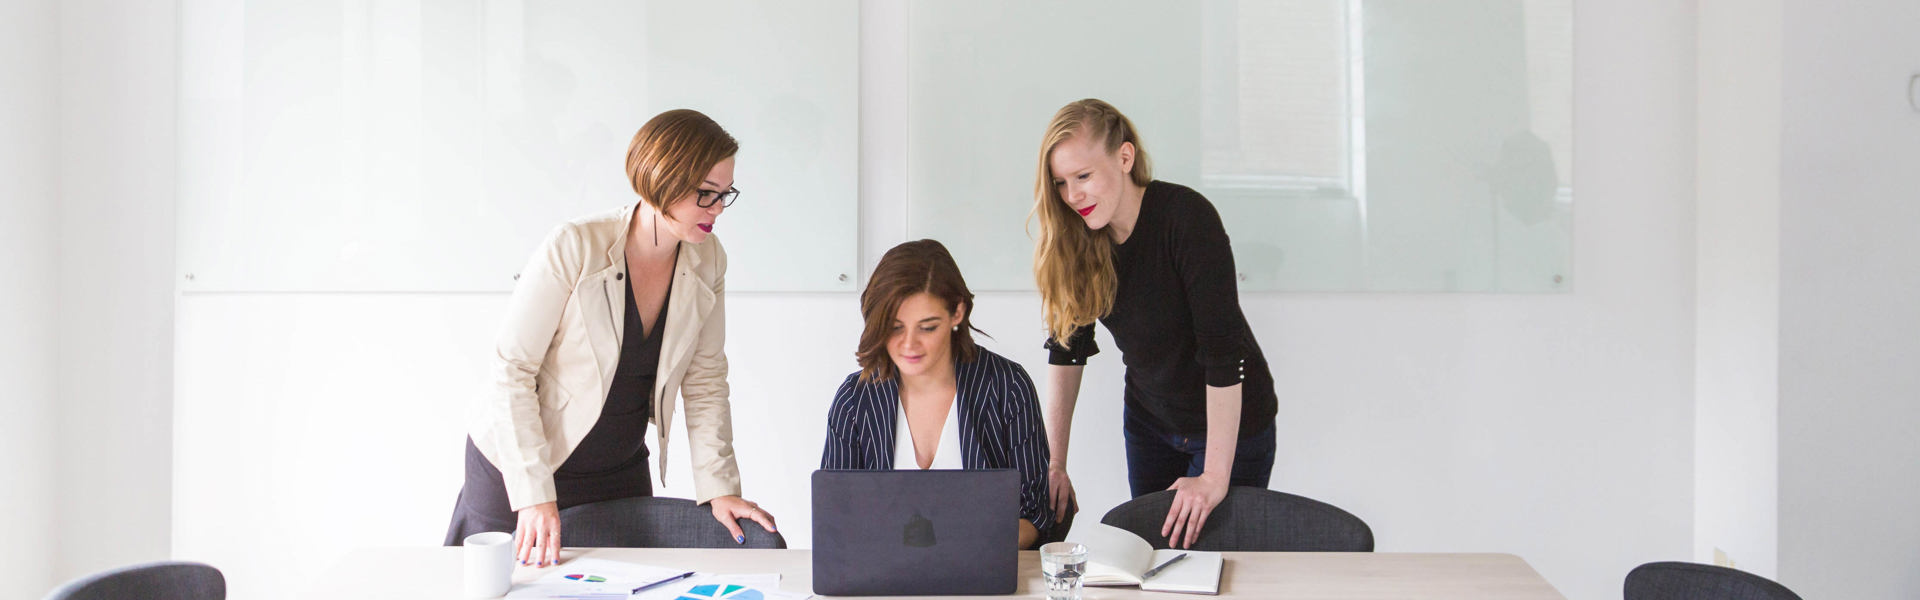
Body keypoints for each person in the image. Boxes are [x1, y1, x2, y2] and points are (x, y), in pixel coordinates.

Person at [446, 109, 775, 566]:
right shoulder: (575, 247)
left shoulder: (708, 259)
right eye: (705, 195)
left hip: (616, 468)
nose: (718, 209)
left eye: (725, 194)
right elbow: (512, 370)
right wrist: (534, 494)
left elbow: (705, 379)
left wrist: (719, 487)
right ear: (663, 182)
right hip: (519, 466)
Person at [1031, 99, 1279, 549]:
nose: (1072, 196)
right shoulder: (1078, 241)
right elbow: (1067, 349)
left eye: (1083, 176)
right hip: (1150, 423)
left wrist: (1213, 477)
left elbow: (1223, 355)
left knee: (1214, 567)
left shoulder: (1185, 219)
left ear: (1125, 158)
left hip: (1230, 429)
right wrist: (1054, 463)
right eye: (1061, 183)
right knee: (1149, 560)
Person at [821, 240, 1054, 549]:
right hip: (883, 584)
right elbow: (836, 517)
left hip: (983, 582)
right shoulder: (855, 400)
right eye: (894, 328)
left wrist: (963, 548)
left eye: (927, 328)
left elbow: (1035, 514)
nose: (909, 345)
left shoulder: (1007, 387)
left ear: (957, 312)